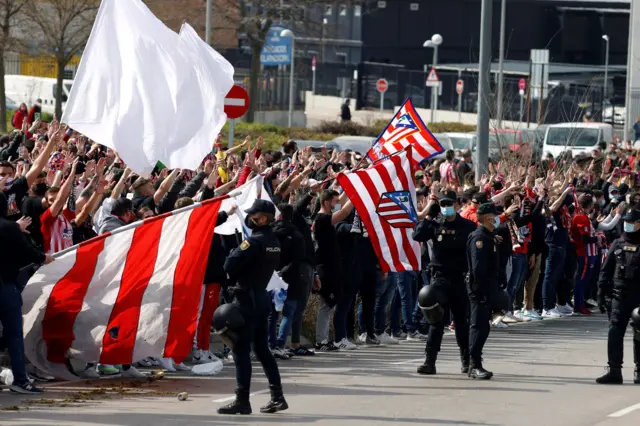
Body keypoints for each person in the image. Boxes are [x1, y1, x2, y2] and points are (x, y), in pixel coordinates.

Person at [218, 199, 288, 415]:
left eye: (254, 215)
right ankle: (277, 397)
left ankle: (242, 400)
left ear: (264, 218)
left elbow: (229, 265)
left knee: (240, 351)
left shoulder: (253, 242)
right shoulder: (273, 241)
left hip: (246, 299)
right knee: (262, 350)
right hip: (261, 298)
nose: (250, 217)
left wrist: (234, 254)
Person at [413, 191, 477, 375]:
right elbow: (417, 236)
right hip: (439, 279)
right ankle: (429, 361)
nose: (446, 207)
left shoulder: (467, 226)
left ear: (456, 205)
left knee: (461, 323)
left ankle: (467, 361)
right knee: (436, 322)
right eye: (442, 204)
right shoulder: (435, 224)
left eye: (449, 204)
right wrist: (429, 214)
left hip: (459, 278)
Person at [0, 192, 54, 394]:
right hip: (5, 286)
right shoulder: (8, 228)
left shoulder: (9, 227)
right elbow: (28, 253)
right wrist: (44, 257)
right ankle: (20, 380)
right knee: (14, 334)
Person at [596, 206, 640, 384]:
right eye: (626, 222)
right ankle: (614, 370)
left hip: (638, 297)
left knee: (639, 332)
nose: (628, 225)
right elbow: (605, 271)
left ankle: (639, 370)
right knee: (614, 331)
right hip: (619, 295)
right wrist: (600, 292)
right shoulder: (617, 243)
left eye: (632, 222)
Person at [466, 202, 501, 380]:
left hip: (487, 287)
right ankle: (474, 365)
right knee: (478, 327)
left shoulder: (488, 236)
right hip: (480, 288)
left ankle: (475, 362)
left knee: (484, 326)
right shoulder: (480, 238)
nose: (496, 218)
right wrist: (482, 291)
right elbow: (478, 269)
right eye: (494, 216)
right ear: (488, 218)